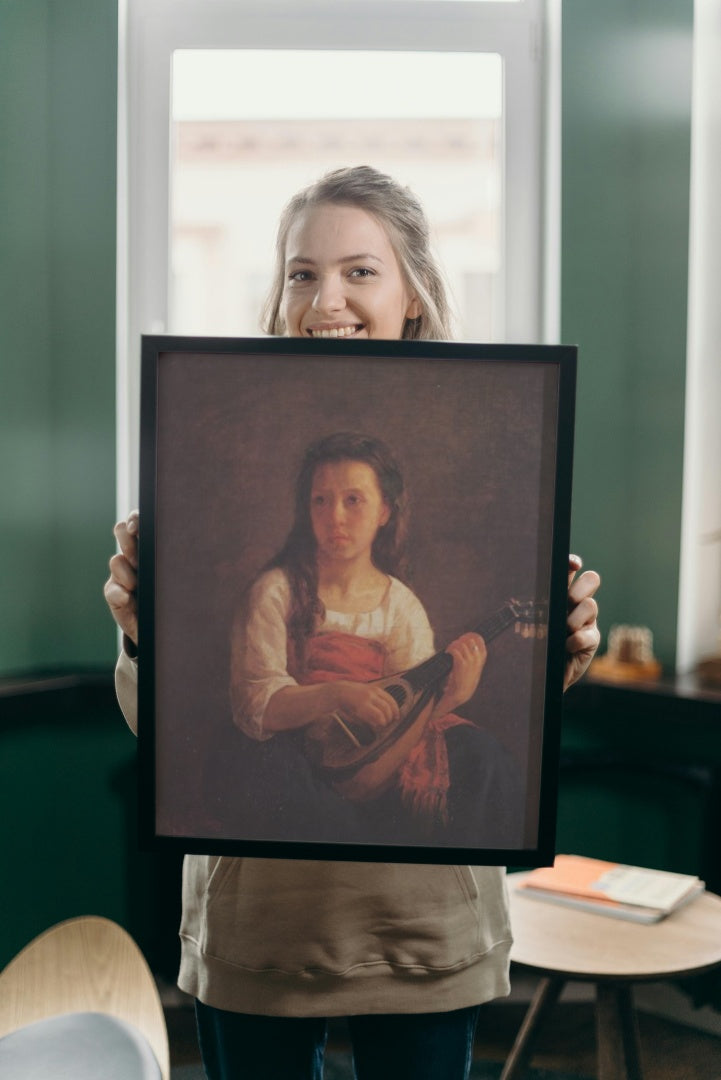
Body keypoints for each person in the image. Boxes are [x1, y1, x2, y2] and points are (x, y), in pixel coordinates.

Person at [105, 165, 601, 1080]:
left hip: (419, 926)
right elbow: (178, 726)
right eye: (301, 272)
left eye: (359, 271)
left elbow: (433, 718)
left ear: (413, 291)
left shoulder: (457, 518)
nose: (324, 297)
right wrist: (143, 635)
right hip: (262, 925)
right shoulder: (264, 575)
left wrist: (552, 660)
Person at [229, 429, 525, 849]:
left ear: (384, 510)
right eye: (321, 500)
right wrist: (338, 695)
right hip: (294, 748)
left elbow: (399, 716)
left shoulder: (401, 606)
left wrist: (452, 698)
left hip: (371, 757)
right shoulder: (275, 590)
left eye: (353, 500)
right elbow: (254, 704)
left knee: (487, 760)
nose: (335, 517)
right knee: (313, 810)